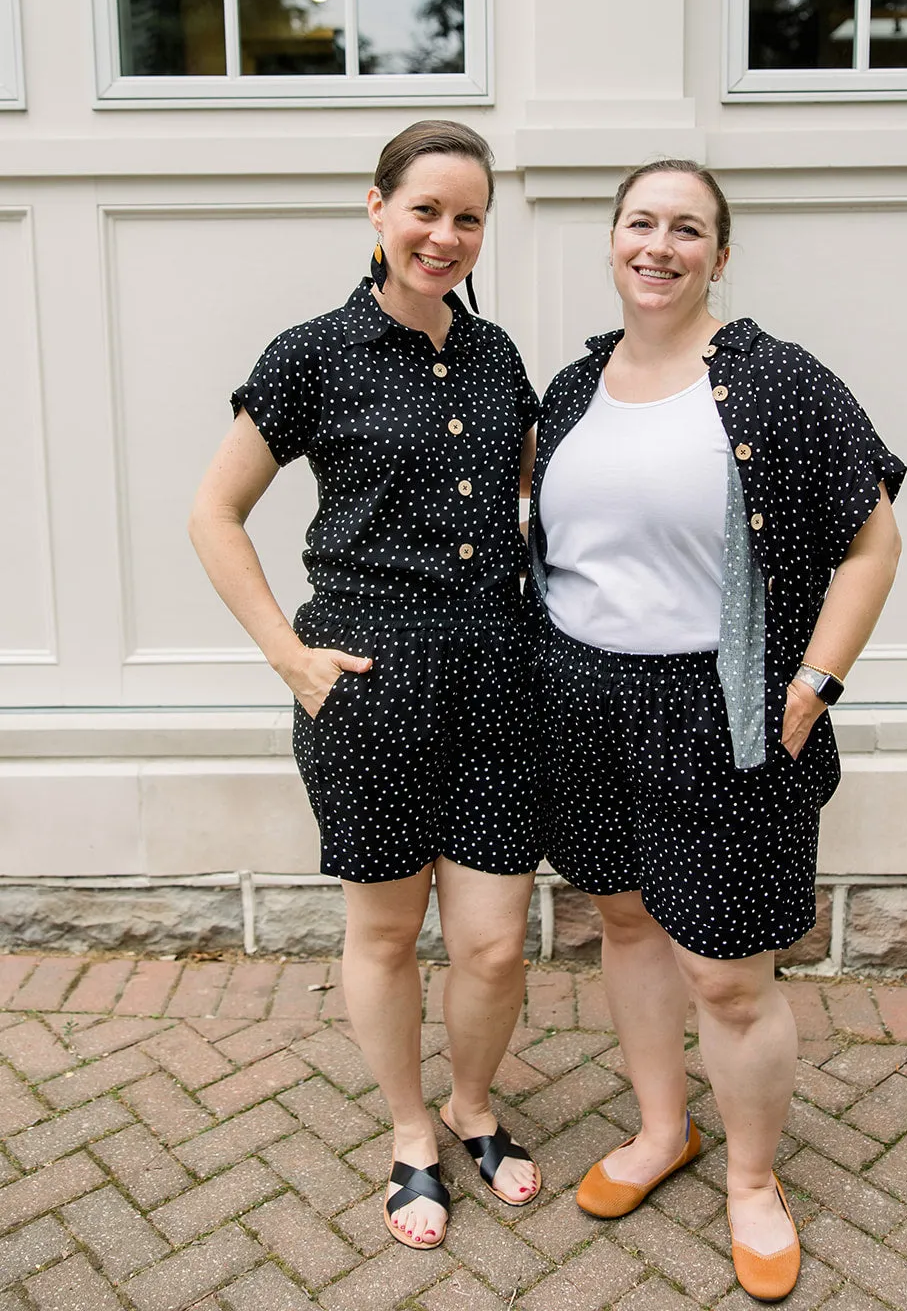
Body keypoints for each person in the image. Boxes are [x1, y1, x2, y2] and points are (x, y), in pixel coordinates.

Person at [527, 159, 904, 1302]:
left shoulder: (776, 382)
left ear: (718, 255)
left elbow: (870, 542)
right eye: (638, 222)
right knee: (629, 924)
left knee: (729, 975)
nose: (658, 244)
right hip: (582, 699)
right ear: (610, 242)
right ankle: (659, 1130)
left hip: (718, 704)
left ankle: (751, 1179)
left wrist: (817, 677)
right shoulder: (571, 385)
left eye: (685, 228)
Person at [189, 121, 543, 1253]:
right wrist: (288, 659)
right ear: (377, 209)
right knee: (386, 932)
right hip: (368, 679)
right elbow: (213, 514)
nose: (444, 235)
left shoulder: (495, 357)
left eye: (467, 216)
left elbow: (543, 495)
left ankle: (473, 1103)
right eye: (425, 209)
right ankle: (408, 1131)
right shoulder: (311, 354)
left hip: (497, 671)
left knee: (492, 941)